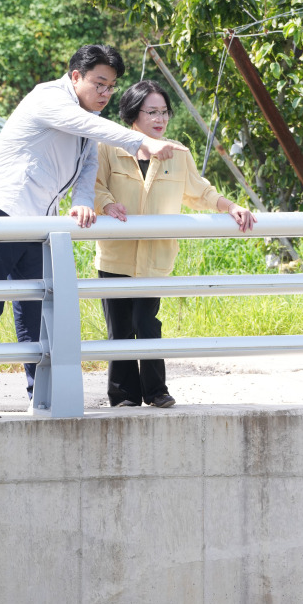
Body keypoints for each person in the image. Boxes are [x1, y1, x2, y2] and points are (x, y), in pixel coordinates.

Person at [0, 44, 189, 414]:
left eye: (111, 87)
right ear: (75, 76)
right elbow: (84, 124)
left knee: (35, 308)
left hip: (41, 221)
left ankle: (39, 391)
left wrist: (83, 202)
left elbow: (85, 174)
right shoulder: (49, 98)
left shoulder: (88, 126)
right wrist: (141, 140)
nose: (105, 93)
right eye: (99, 83)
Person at [94, 79, 256, 408]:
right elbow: (94, 187)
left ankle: (156, 391)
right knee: (120, 327)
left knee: (146, 322)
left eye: (164, 112)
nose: (160, 118)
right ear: (132, 115)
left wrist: (231, 206)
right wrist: (108, 204)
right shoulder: (107, 148)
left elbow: (201, 192)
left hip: (156, 256)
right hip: (115, 255)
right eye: (151, 111)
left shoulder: (177, 153)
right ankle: (124, 396)